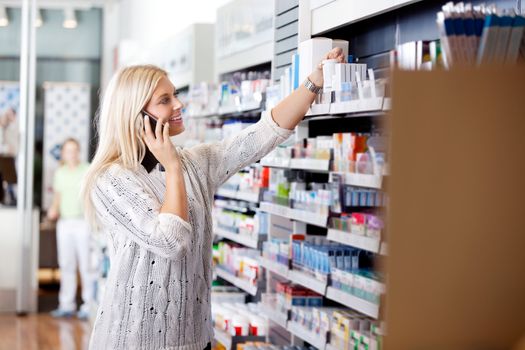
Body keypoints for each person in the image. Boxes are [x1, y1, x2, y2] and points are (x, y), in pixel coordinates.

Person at [81, 48, 345, 349]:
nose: (179, 104)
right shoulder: (111, 180)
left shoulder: (194, 162)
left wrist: (314, 82)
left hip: (196, 337)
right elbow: (171, 241)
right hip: (135, 340)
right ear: (137, 116)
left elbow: (260, 136)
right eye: (165, 100)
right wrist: (173, 168)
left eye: (175, 94)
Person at [48, 138, 94, 320]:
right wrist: (53, 209)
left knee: (86, 265)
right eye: (68, 150)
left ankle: (88, 305)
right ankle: (66, 305)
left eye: (74, 150)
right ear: (63, 153)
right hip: (64, 223)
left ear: (79, 151)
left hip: (84, 223)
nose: (71, 153)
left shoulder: (87, 169)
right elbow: (58, 197)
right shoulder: (60, 172)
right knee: (66, 264)